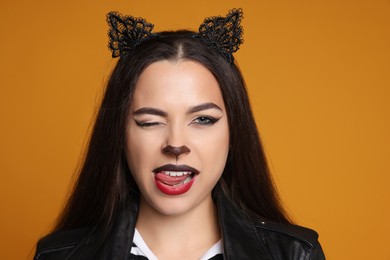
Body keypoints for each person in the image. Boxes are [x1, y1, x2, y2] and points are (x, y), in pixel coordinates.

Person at [34, 9, 325, 260]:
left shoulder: (295, 254)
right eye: (150, 121)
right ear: (120, 137)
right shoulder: (59, 256)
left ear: (234, 133)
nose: (175, 144)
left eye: (202, 119)